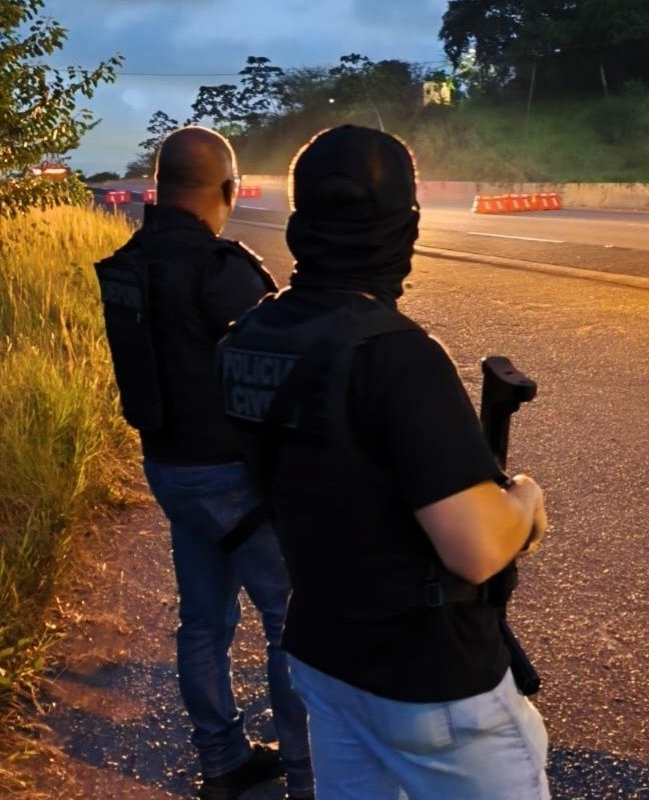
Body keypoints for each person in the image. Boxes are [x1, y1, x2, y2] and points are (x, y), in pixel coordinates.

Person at [217, 125, 551, 800]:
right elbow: (477, 548)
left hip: (325, 654)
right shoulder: (395, 356)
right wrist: (525, 503)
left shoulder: (249, 337)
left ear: (302, 218)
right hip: (429, 679)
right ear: (405, 224)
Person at [94, 126, 313, 800]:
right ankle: (309, 773)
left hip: (167, 469)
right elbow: (280, 364)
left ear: (159, 186)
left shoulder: (128, 262)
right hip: (234, 480)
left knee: (204, 622)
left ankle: (221, 764)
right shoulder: (219, 270)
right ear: (224, 189)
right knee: (291, 623)